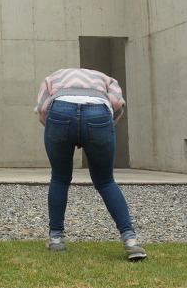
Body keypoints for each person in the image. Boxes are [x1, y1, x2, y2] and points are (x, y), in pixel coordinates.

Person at [34, 68, 147, 261]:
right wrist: (105, 128)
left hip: (60, 111)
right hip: (99, 113)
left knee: (60, 178)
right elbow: (118, 104)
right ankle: (131, 241)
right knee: (105, 181)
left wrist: (54, 128)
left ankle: (56, 239)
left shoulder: (53, 77)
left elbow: (42, 109)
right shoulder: (107, 79)